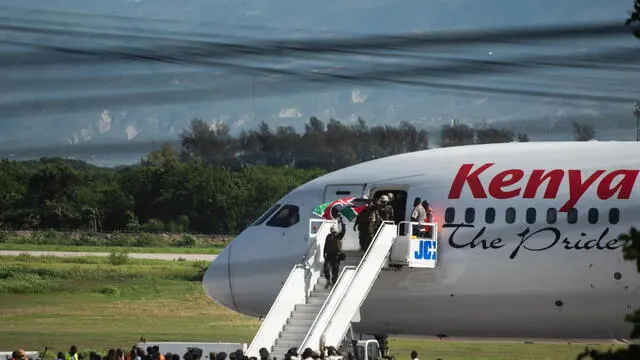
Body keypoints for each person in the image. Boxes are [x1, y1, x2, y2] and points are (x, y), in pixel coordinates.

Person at [324, 216, 346, 288]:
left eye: (333, 229)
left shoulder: (338, 236)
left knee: (335, 272)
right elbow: (326, 244)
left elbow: (343, 230)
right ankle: (328, 280)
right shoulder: (328, 236)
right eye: (331, 229)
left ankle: (334, 284)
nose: (332, 230)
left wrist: (342, 222)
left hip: (336, 256)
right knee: (326, 269)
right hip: (329, 255)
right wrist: (324, 253)